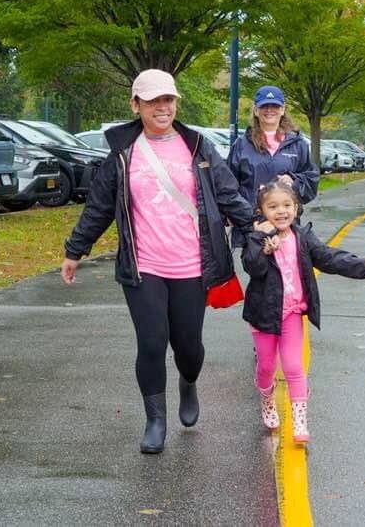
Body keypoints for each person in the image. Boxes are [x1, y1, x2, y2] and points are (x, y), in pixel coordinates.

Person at [61, 69, 253, 454]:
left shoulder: (197, 147)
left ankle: (188, 381)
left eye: (168, 99)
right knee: (151, 343)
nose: (162, 107)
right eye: (153, 101)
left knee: (188, 347)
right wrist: (75, 250)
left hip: (192, 265)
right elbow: (99, 205)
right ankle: (155, 420)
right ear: (136, 105)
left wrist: (262, 228)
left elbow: (229, 195)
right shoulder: (123, 153)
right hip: (143, 264)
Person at [242, 178, 365, 443]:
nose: (281, 211)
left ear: (296, 208)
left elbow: (329, 258)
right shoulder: (256, 238)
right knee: (266, 367)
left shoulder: (302, 238)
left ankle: (299, 421)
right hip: (264, 316)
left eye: (287, 205)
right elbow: (253, 268)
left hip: (293, 312)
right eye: (273, 206)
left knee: (294, 367)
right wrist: (263, 245)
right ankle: (267, 397)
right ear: (262, 212)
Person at [228, 85, 319, 248]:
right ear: (256, 110)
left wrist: (294, 181)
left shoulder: (298, 144)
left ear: (283, 109)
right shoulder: (241, 145)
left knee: (288, 271)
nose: (270, 110)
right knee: (259, 271)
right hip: (253, 226)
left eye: (275, 106)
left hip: (286, 224)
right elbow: (228, 186)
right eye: (264, 106)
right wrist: (241, 217)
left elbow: (311, 181)